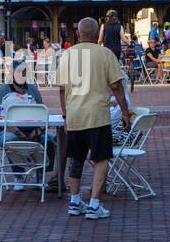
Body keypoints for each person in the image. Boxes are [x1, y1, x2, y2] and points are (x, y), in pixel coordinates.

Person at [55, 17, 132, 220]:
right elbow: (116, 86)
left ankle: (74, 200)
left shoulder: (67, 55)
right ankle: (94, 204)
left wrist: (65, 114)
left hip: (74, 114)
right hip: (97, 114)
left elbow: (62, 90)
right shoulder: (105, 54)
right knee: (101, 158)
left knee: (76, 157)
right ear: (98, 33)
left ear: (78, 34)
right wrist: (125, 111)